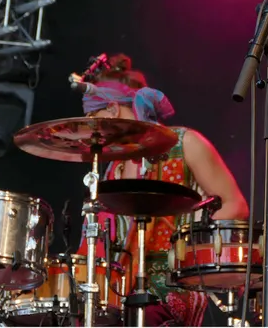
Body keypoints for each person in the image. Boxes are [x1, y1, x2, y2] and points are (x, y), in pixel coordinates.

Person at [69, 53, 250, 327]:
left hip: (176, 284)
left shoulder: (185, 143)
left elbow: (235, 205)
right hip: (119, 289)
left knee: (143, 318)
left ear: (113, 110)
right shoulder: (114, 167)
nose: (92, 129)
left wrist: (186, 247)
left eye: (94, 118)